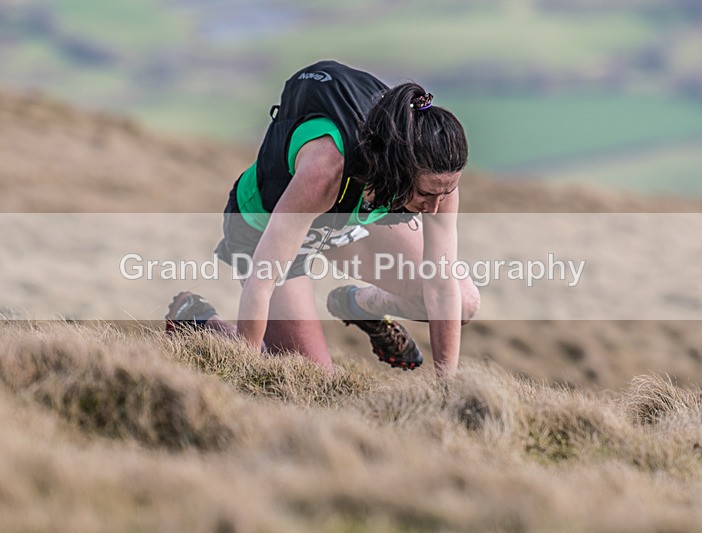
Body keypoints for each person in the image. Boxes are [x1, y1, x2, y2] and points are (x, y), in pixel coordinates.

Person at [165, 60, 480, 379]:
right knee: (308, 377)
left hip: (344, 221)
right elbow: (262, 283)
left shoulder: (437, 179)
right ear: (398, 169)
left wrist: (447, 390)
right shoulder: (326, 169)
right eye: (426, 194)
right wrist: (244, 370)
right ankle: (197, 321)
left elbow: (441, 287)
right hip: (263, 226)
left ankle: (358, 305)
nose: (435, 206)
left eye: (447, 192)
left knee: (464, 302)